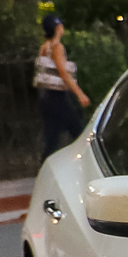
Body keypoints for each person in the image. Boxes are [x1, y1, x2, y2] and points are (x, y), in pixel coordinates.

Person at [36, 14, 89, 159]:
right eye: (61, 25)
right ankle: (82, 164)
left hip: (47, 98)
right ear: (57, 27)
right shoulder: (57, 47)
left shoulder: (44, 47)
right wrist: (80, 94)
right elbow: (63, 73)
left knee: (52, 139)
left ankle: (45, 168)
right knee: (78, 131)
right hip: (58, 98)